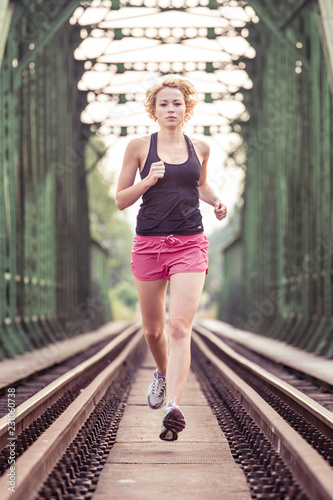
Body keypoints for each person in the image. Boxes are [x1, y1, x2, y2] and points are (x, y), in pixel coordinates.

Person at [115, 75, 227, 441]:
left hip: (190, 243)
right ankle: (162, 374)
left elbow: (200, 183)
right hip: (149, 243)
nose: (170, 109)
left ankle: (172, 407)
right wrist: (147, 181)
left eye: (177, 103)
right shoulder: (138, 147)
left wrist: (216, 201)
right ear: (154, 109)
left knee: (179, 327)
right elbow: (120, 199)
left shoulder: (201, 147)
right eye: (163, 103)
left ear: (186, 107)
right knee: (153, 330)